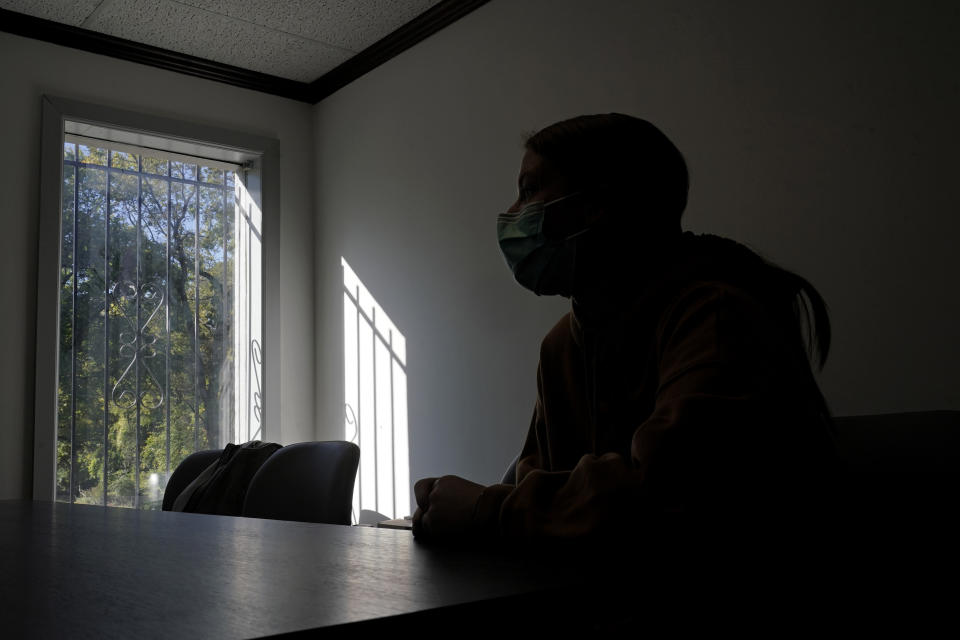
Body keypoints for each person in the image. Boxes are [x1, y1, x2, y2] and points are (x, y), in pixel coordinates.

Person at [412, 113, 841, 548]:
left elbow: (672, 499)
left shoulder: (714, 316)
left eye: (530, 191)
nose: (511, 215)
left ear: (597, 203)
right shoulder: (561, 344)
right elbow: (541, 482)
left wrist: (487, 510)